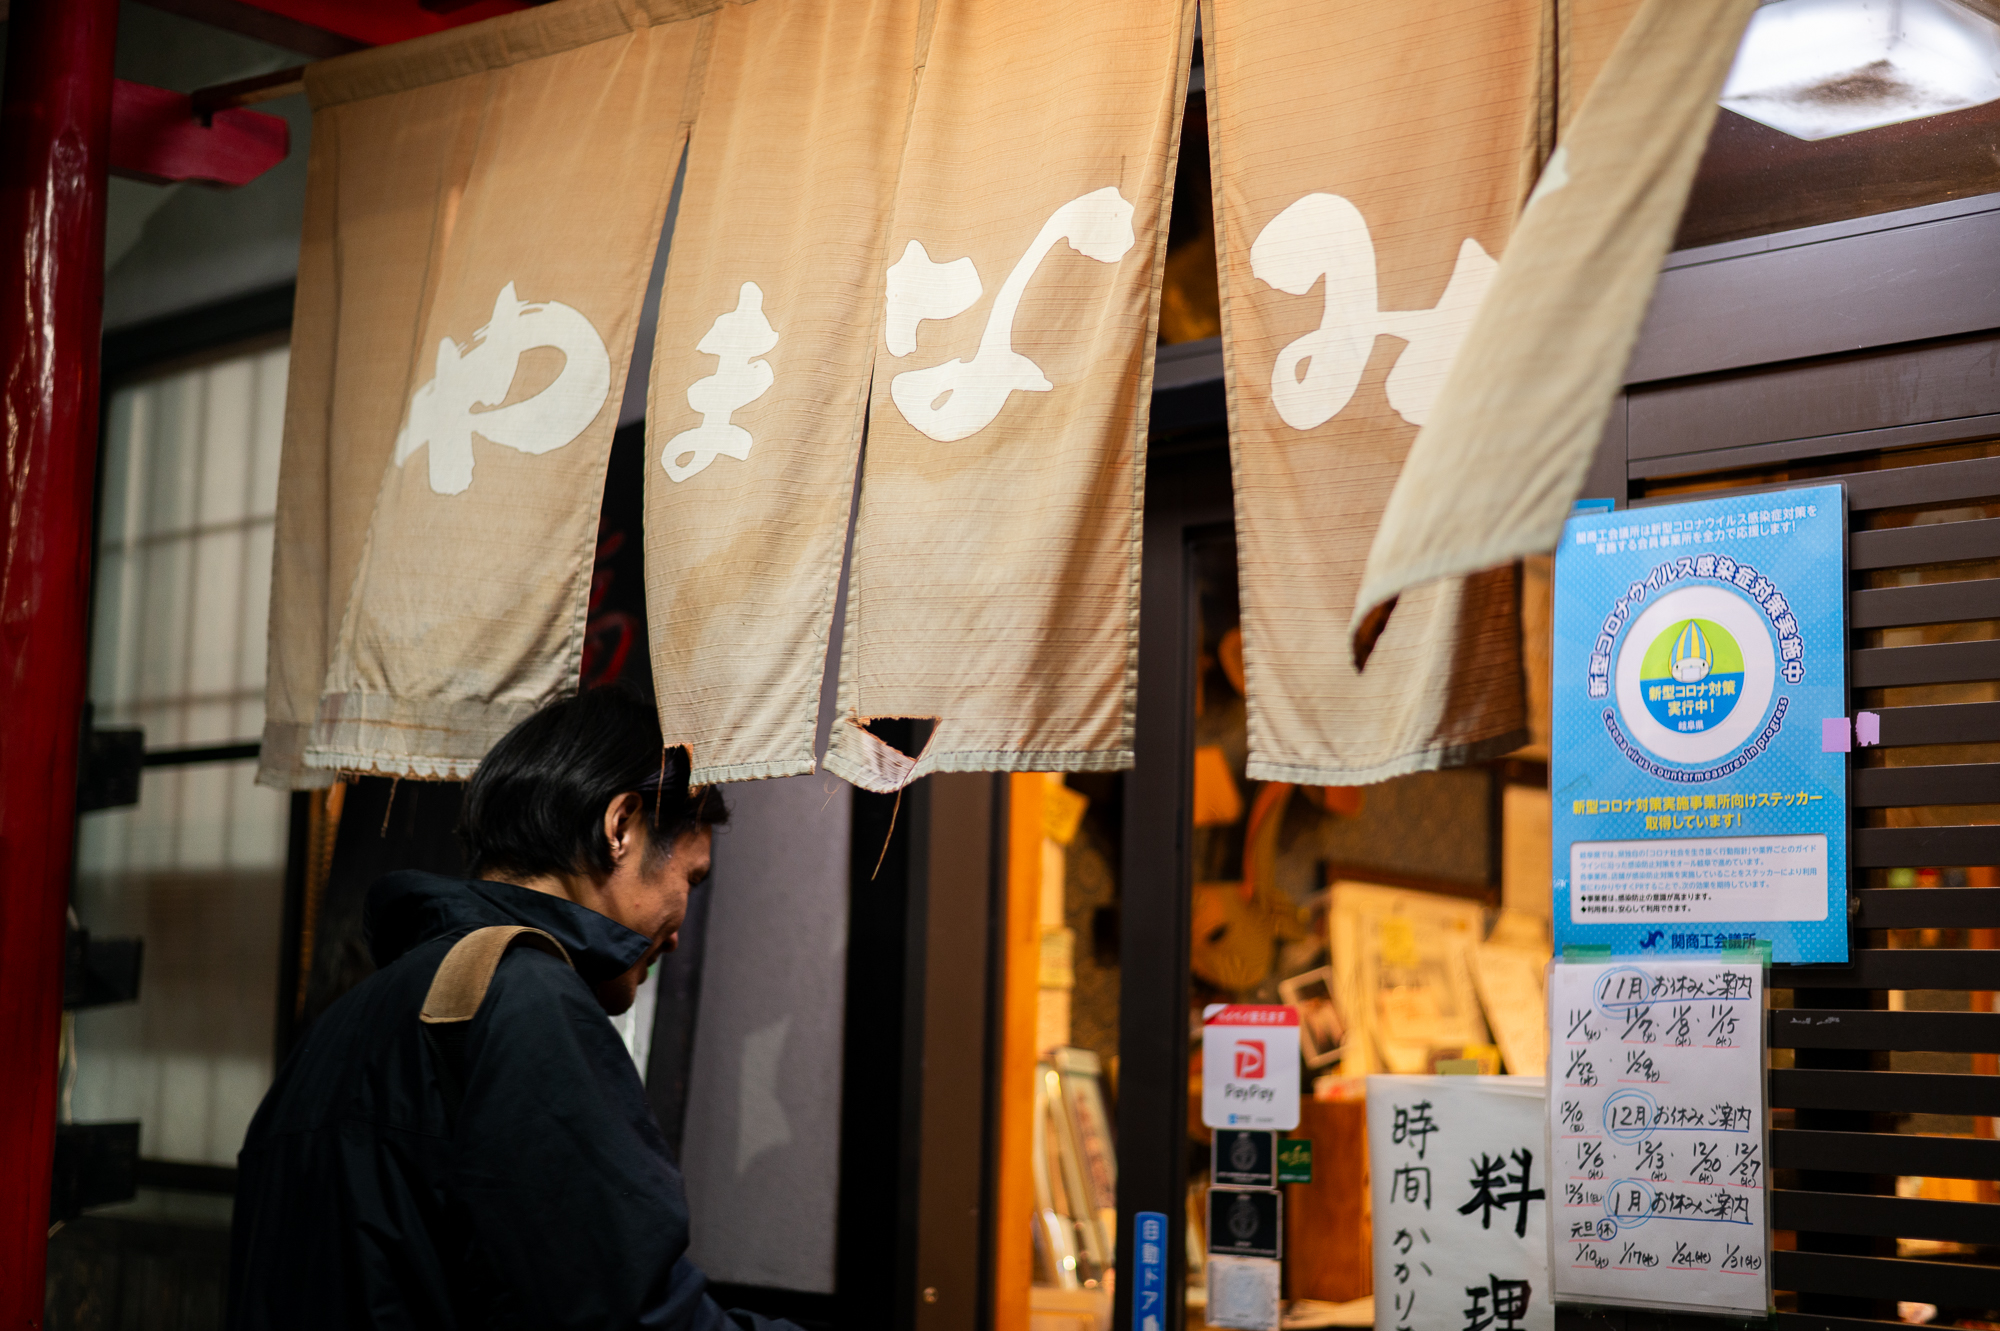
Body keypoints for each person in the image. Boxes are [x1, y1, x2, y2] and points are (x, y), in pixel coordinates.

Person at [228, 688, 796, 1329]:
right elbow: (630, 1315)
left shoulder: (347, 1020)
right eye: (689, 879)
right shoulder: (526, 1000)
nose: (678, 925)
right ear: (621, 828)